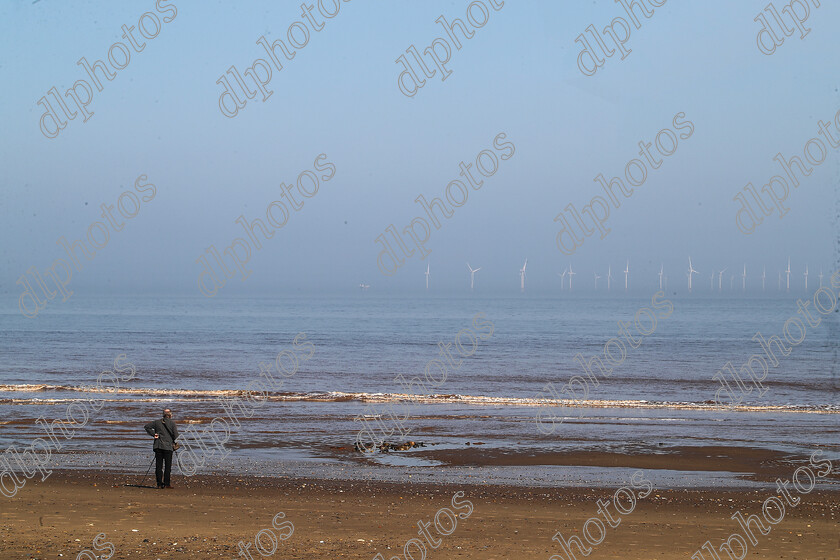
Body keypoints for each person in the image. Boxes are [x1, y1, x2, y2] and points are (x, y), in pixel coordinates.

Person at [144, 409, 179, 489]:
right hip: (168, 447)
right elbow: (176, 436)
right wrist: (175, 442)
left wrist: (154, 435)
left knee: (158, 466)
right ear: (170, 415)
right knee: (167, 466)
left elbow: (147, 427)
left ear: (163, 415)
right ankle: (167, 484)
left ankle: (159, 484)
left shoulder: (157, 422)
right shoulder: (172, 423)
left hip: (158, 446)